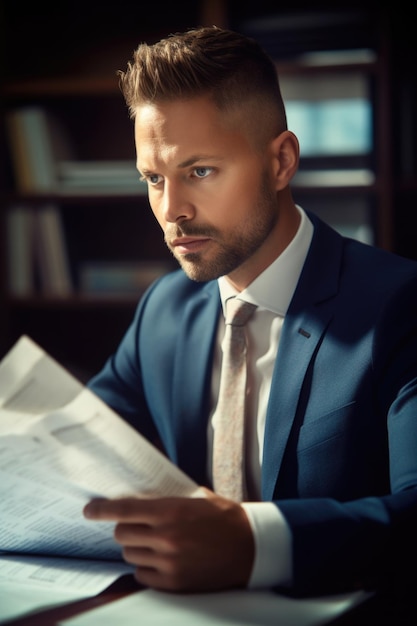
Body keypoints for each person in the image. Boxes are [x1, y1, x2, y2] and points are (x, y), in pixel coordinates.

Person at [83, 25, 417, 598]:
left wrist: (255, 543)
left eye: (200, 171)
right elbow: (78, 448)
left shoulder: (400, 305)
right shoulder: (163, 310)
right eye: (153, 178)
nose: (171, 210)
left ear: (281, 161)